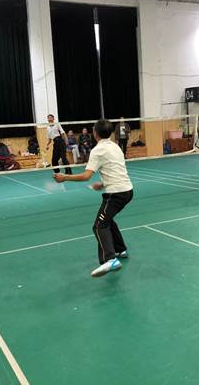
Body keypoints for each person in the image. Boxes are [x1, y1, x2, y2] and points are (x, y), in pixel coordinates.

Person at [53, 119, 134, 278]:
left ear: (95, 133)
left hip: (115, 194)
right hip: (128, 191)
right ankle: (120, 249)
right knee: (108, 220)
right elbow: (116, 169)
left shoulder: (98, 150)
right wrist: (103, 183)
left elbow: (86, 176)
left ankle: (110, 259)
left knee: (99, 225)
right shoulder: (116, 146)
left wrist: (65, 177)